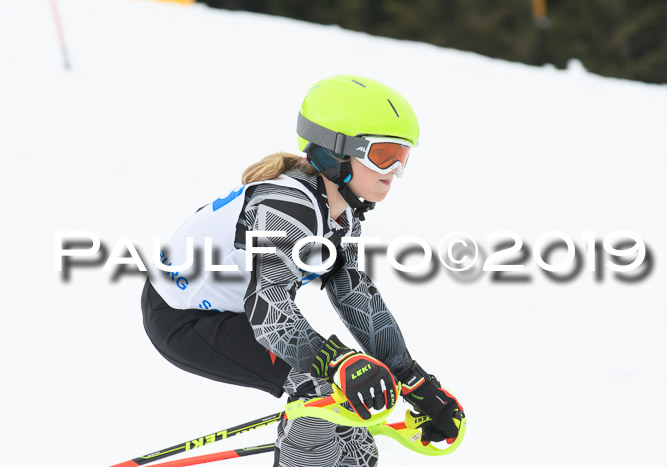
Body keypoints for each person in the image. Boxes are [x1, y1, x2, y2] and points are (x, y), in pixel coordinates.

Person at [141, 74, 464, 467]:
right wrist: (339, 361)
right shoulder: (284, 208)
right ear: (337, 152)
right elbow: (270, 314)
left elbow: (353, 296)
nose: (393, 169)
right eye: (383, 155)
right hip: (185, 318)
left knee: (354, 449)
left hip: (235, 309)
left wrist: (413, 380)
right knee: (319, 394)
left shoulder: (340, 214)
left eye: (403, 157)